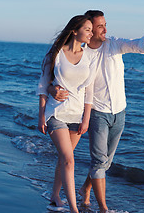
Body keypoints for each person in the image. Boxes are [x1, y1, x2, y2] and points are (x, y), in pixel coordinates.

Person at [49, 10, 144, 213]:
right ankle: (104, 208)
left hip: (119, 111)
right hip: (96, 112)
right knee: (97, 161)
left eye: (104, 24)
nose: (104, 29)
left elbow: (140, 43)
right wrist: (53, 90)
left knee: (105, 162)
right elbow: (57, 76)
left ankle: (85, 189)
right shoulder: (82, 52)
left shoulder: (114, 44)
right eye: (99, 26)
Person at [37, 15, 98, 213]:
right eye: (87, 29)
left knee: (64, 159)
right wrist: (41, 115)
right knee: (69, 159)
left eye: (91, 30)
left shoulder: (89, 57)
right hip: (56, 113)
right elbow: (43, 84)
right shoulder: (55, 54)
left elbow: (89, 92)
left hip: (77, 115)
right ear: (74, 30)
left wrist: (86, 118)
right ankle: (74, 209)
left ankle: (55, 195)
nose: (91, 33)